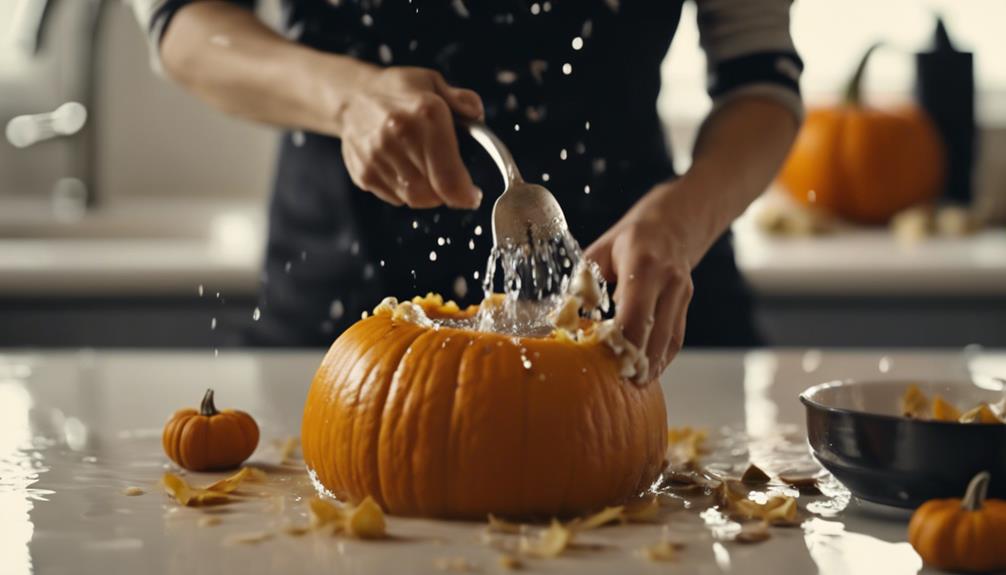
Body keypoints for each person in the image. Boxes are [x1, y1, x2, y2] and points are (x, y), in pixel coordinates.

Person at [132, 0, 802, 380]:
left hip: (641, 314)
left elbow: (760, 79)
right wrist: (347, 98)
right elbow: (183, 24)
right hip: (341, 332)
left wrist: (682, 218)